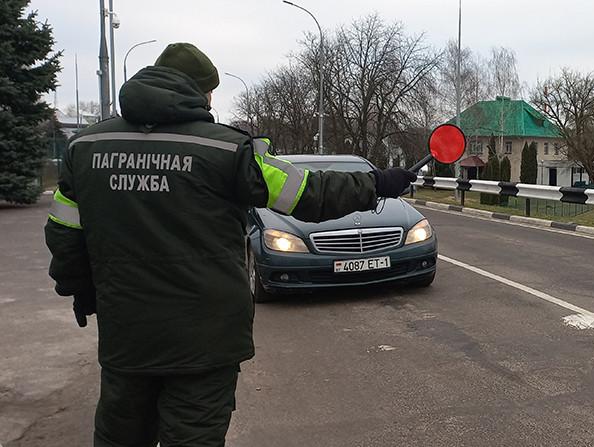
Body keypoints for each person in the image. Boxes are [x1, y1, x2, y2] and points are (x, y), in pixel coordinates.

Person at [44, 43, 416, 447]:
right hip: (206, 339)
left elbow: (65, 232)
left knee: (120, 436)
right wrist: (378, 183)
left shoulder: (85, 147)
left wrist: (80, 289)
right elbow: (307, 193)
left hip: (126, 335)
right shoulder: (224, 148)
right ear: (202, 92)